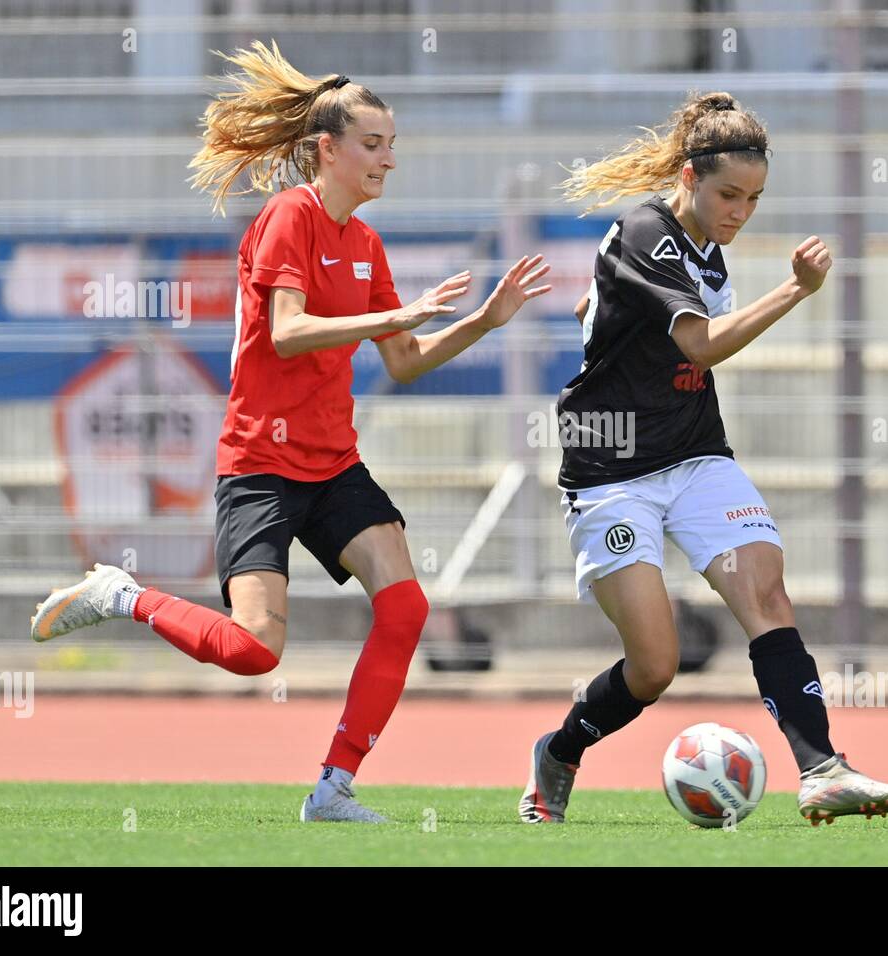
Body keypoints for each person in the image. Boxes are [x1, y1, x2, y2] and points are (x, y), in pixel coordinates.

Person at [30, 40, 551, 824]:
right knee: (254, 651)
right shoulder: (288, 217)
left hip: (333, 463)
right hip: (261, 467)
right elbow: (287, 331)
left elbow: (405, 361)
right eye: (373, 146)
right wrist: (393, 314)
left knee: (406, 609)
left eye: (392, 147)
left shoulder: (365, 243)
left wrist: (485, 318)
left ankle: (333, 788)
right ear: (326, 150)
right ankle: (121, 594)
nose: (388, 161)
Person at [518, 91, 888, 827]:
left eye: (755, 199)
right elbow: (698, 345)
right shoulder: (647, 230)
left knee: (766, 597)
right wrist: (796, 288)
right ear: (691, 177)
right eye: (729, 194)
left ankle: (823, 768)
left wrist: (601, 314)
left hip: (695, 453)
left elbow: (602, 313)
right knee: (654, 667)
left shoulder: (704, 250)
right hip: (611, 471)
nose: (740, 211)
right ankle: (561, 749)